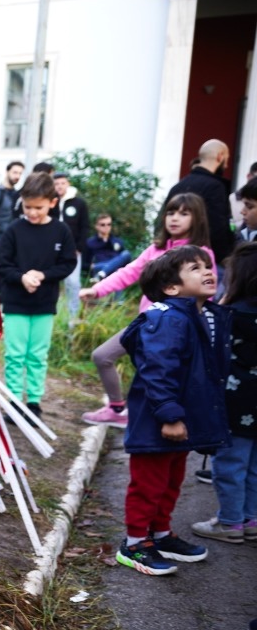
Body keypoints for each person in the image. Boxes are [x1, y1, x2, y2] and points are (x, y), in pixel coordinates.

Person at [115, 246, 227, 575]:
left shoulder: (197, 315)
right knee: (148, 483)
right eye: (195, 268)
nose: (207, 271)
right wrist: (169, 414)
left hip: (180, 421)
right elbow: (157, 369)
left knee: (171, 480)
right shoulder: (166, 318)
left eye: (208, 265)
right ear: (171, 287)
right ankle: (134, 542)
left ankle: (160, 534)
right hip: (161, 421)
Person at [79, 194, 215, 427]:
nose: (174, 219)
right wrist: (98, 289)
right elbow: (130, 271)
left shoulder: (200, 254)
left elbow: (208, 293)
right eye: (171, 213)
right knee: (102, 356)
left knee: (155, 372)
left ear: (197, 218)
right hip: (146, 323)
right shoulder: (156, 249)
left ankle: (153, 418)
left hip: (176, 330)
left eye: (183, 213)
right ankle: (116, 408)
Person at [0, 171, 78, 416]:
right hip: (15, 304)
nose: (32, 212)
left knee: (37, 355)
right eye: (28, 207)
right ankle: (12, 400)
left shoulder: (61, 231)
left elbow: (67, 264)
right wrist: (21, 277)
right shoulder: (14, 230)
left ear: (52, 203)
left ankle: (33, 400)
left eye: (38, 208)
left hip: (44, 304)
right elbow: (3, 265)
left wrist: (43, 275)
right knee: (15, 354)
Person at [190, 243, 257, 543]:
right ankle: (251, 519)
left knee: (230, 463)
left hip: (235, 400)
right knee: (255, 466)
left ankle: (229, 522)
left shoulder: (230, 314)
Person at [166, 139, 234, 262]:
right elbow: (218, 226)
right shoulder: (215, 187)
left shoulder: (178, 186)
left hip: (174, 255)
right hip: (205, 258)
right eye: (227, 160)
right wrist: (226, 257)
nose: (227, 165)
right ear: (220, 157)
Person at [54, 172, 90, 322]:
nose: (60, 186)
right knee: (53, 281)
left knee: (73, 282)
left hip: (72, 250)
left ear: (68, 184)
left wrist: (79, 247)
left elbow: (84, 226)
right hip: (53, 250)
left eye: (62, 183)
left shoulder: (78, 203)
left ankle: (72, 316)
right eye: (56, 183)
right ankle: (54, 315)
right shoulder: (50, 203)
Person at [84, 214, 132, 280]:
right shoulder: (89, 242)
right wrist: (91, 266)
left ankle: (103, 272)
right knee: (116, 271)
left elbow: (124, 260)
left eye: (109, 224)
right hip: (100, 266)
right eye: (103, 225)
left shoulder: (117, 241)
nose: (106, 227)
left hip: (114, 267)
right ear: (96, 226)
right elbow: (84, 264)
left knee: (126, 254)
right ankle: (104, 272)